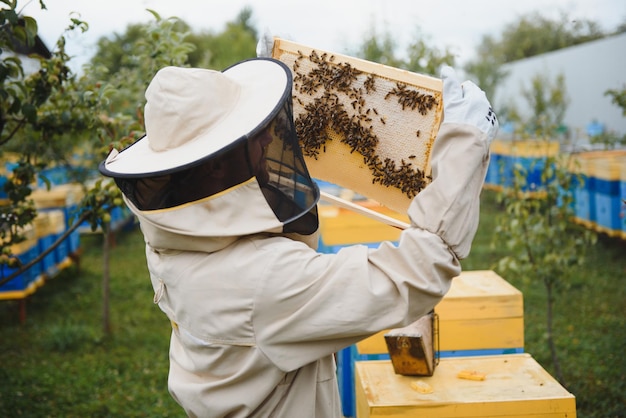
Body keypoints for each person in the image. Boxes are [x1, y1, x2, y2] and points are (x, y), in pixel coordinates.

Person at [99, 57, 498, 417]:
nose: (270, 138)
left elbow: (256, 218)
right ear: (220, 167)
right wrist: (467, 143)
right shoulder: (262, 282)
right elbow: (423, 266)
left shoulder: (170, 237)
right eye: (254, 134)